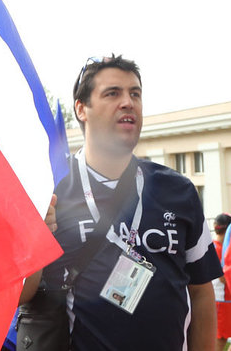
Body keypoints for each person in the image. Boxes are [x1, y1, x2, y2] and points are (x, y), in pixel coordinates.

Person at [21, 55, 222, 350]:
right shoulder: (47, 188)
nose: (128, 102)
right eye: (113, 93)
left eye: (135, 93)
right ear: (82, 109)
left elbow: (202, 294)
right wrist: (34, 237)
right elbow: (21, 294)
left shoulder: (178, 190)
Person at [214, 213, 231, 350]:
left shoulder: (214, 246)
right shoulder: (220, 249)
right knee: (221, 340)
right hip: (222, 299)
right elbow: (222, 276)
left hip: (220, 299)